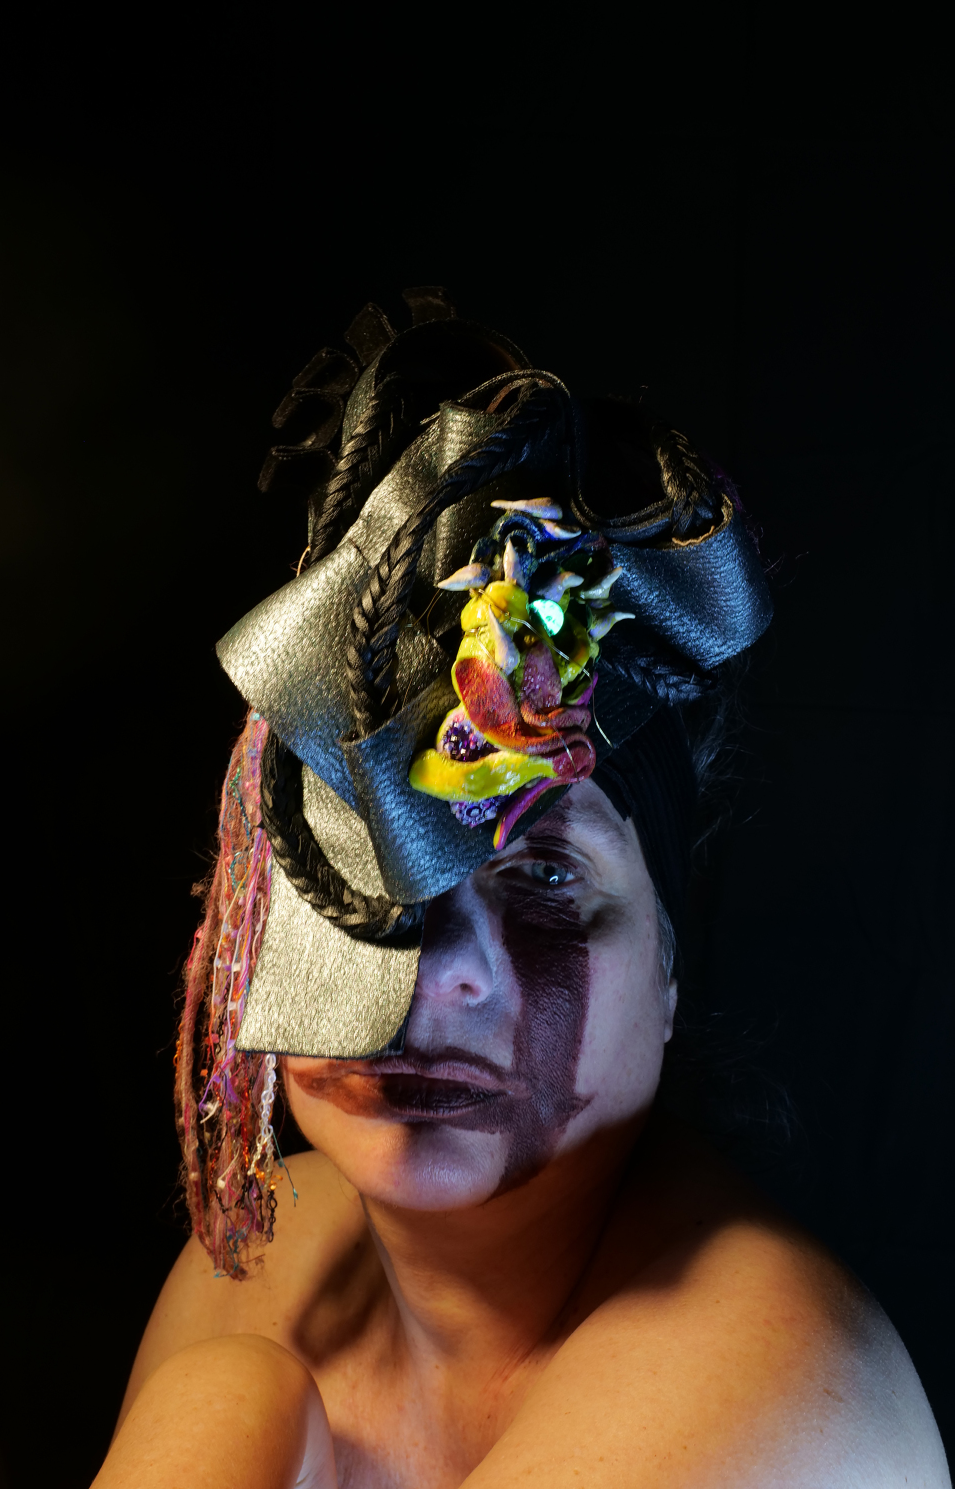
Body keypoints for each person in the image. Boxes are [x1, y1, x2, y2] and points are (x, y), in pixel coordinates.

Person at [94, 292, 950, 1488]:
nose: (434, 969)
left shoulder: (766, 1390)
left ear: (667, 967)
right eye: (357, 851)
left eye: (544, 874)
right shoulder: (263, 1258)